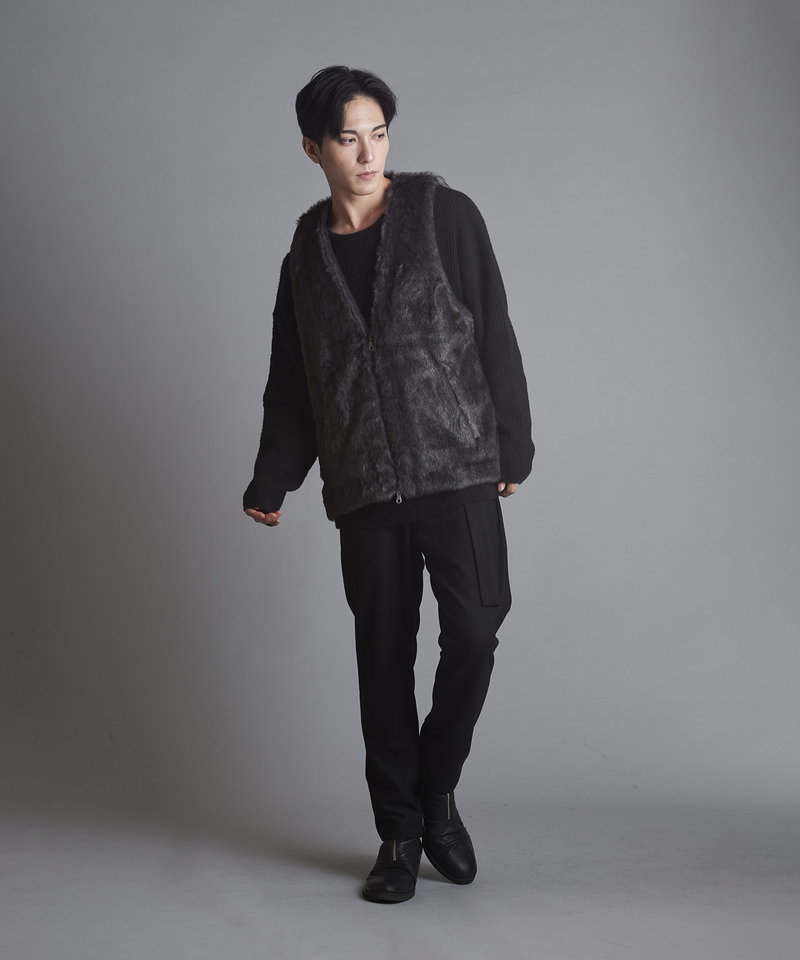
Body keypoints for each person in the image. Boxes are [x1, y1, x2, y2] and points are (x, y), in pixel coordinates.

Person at [243, 65, 534, 903]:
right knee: (381, 660)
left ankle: (435, 789)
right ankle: (399, 834)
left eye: (378, 134)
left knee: (475, 631)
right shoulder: (304, 258)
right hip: (365, 484)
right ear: (314, 150)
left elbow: (495, 330)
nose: (368, 154)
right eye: (348, 139)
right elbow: (293, 379)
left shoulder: (445, 214)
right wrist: (274, 477)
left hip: (459, 464)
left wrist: (510, 447)